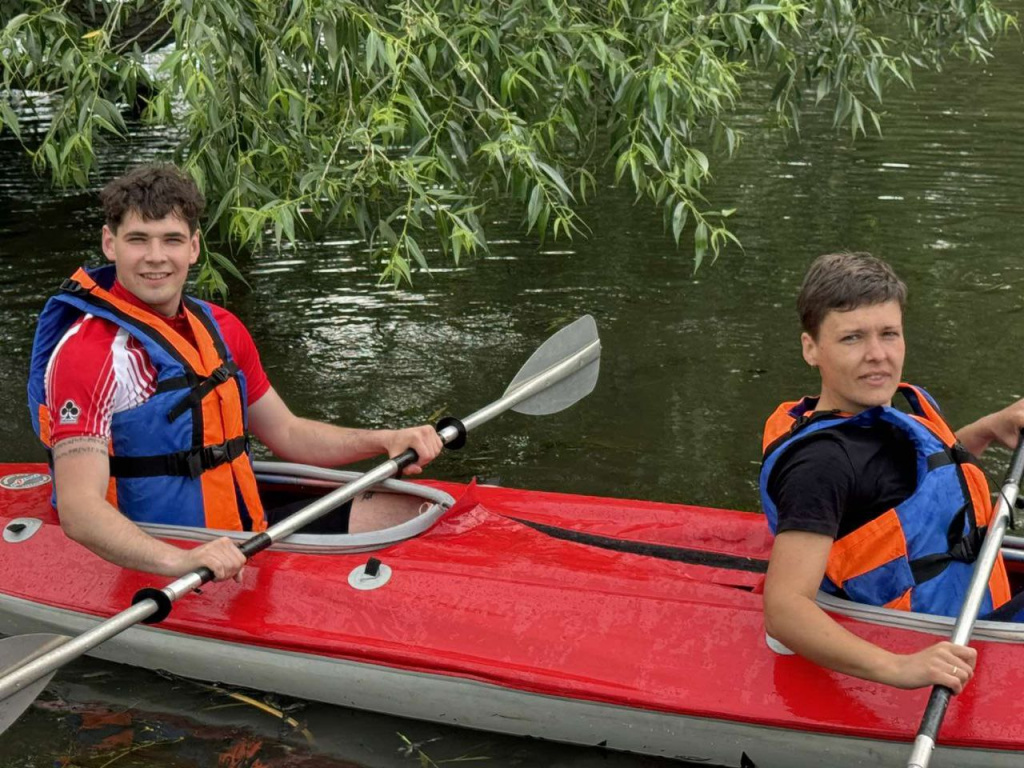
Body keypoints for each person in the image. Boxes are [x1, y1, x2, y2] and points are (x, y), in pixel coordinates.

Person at [27, 164, 443, 584]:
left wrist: (385, 439)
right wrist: (178, 561)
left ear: (193, 248)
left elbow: (289, 433)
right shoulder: (88, 355)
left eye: (171, 240)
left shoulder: (221, 327)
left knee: (402, 510)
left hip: (243, 533)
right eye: (138, 240)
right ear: (109, 244)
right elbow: (80, 511)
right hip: (163, 554)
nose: (156, 257)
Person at [759, 252, 1024, 695]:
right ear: (811, 348)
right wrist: (900, 668)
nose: (877, 355)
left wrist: (985, 430)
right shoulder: (821, 464)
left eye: (889, 334)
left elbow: (917, 486)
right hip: (938, 634)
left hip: (975, 608)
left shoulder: (893, 411)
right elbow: (784, 609)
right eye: (852, 338)